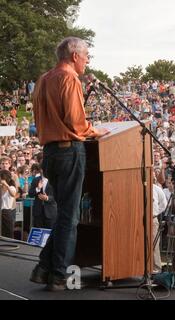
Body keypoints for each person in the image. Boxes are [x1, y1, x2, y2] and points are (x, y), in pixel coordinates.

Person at [29, 37, 109, 291]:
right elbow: (77, 123)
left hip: (50, 153)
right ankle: (58, 274)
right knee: (69, 218)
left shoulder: (43, 79)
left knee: (65, 215)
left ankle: (43, 268)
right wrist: (96, 131)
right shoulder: (70, 78)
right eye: (86, 55)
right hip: (69, 151)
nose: (87, 60)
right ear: (74, 55)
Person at [152, 179, 168, 273]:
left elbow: (163, 204)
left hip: (153, 219)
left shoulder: (157, 189)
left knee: (154, 244)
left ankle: (156, 268)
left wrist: (155, 213)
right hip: (137, 220)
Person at [0, 170, 17, 238]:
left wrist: (6, 185)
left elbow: (13, 194)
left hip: (6, 211)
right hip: (0, 211)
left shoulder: (11, 187)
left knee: (8, 232)